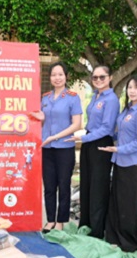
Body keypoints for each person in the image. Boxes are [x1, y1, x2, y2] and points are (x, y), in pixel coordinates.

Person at [100, 74, 137, 252]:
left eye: (136, 87)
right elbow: (120, 133)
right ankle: (114, 238)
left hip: (134, 165)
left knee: (128, 206)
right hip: (120, 162)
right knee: (116, 202)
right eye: (130, 87)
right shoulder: (127, 110)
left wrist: (118, 149)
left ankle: (129, 243)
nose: (132, 91)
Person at [65, 65, 119, 238]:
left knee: (98, 188)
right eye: (95, 77)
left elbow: (107, 128)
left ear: (110, 78)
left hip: (101, 144)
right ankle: (85, 223)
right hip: (89, 142)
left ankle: (97, 230)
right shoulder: (96, 96)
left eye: (102, 77)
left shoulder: (111, 99)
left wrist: (84, 138)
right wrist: (85, 138)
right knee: (86, 184)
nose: (98, 80)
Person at [30, 62, 82, 232]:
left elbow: (77, 124)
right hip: (47, 148)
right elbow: (43, 122)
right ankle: (50, 219)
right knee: (49, 186)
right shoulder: (45, 98)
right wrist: (41, 118)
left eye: (60, 74)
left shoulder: (73, 97)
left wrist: (56, 136)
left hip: (64, 148)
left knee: (64, 185)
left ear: (66, 76)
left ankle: (61, 221)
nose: (57, 78)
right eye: (54, 75)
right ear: (50, 77)